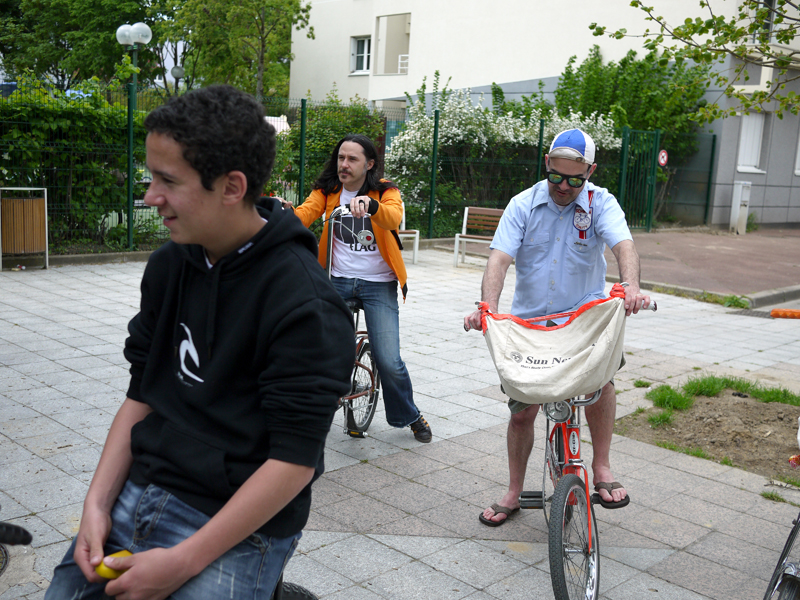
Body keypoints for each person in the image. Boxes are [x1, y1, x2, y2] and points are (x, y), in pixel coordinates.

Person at [45, 85, 355, 599]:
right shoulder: (169, 266)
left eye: (167, 180)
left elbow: (294, 462)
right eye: (151, 177)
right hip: (144, 485)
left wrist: (180, 563)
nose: (149, 196)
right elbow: (140, 395)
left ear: (232, 186)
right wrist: (95, 506)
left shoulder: (306, 306)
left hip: (240, 520)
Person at [464, 128, 651, 527]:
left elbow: (624, 247)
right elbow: (498, 260)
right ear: (547, 164)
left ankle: (601, 466)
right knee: (521, 411)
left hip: (584, 321)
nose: (564, 187)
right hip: (531, 323)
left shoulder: (601, 203)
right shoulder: (522, 205)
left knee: (601, 383)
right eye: (556, 176)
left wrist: (631, 286)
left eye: (575, 179)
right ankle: (514, 491)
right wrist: (487, 309)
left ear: (590, 172)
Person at [285, 133, 432, 443]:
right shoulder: (327, 191)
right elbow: (305, 214)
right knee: (316, 349)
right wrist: (285, 214)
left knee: (389, 361)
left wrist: (372, 206)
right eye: (341, 157)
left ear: (369, 164)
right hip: (336, 281)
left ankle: (410, 415)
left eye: (352, 159)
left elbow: (393, 216)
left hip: (378, 285)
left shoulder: (385, 191)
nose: (344, 164)